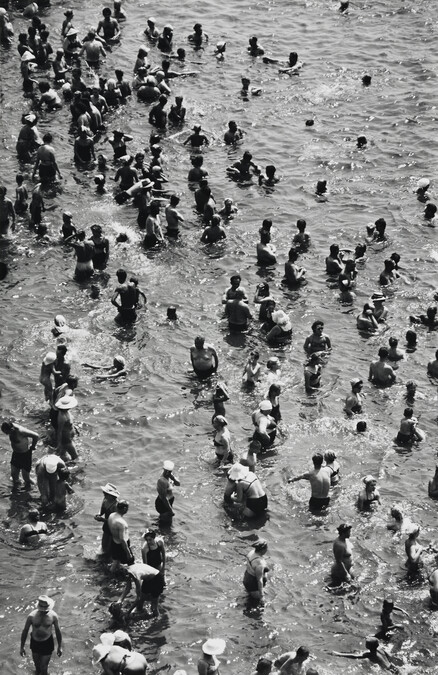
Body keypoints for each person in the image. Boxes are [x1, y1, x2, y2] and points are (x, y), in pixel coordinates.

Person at [20, 596, 62, 675]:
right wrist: (21, 647)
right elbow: (25, 631)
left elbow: (58, 631)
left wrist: (60, 647)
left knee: (44, 667)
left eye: (45, 609)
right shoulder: (31, 616)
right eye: (42, 608)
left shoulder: (53, 616)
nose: (43, 611)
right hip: (35, 642)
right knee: (37, 667)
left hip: (47, 642)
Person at [1, 420, 38, 489]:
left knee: (26, 479)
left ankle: (36, 488)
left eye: (7, 432)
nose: (7, 434)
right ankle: (17, 490)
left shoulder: (21, 431)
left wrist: (33, 446)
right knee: (14, 476)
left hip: (25, 455)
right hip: (16, 454)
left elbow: (36, 435)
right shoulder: (11, 428)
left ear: (11, 429)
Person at [107, 500, 135, 572]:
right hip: (121, 545)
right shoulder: (121, 523)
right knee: (131, 562)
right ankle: (134, 578)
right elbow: (122, 539)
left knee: (116, 561)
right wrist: (128, 553)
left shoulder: (111, 515)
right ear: (124, 509)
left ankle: (111, 576)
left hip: (114, 541)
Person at [95, 483, 119, 556]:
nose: (104, 494)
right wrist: (98, 515)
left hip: (114, 528)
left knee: (110, 547)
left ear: (112, 496)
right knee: (104, 545)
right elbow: (102, 511)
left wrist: (102, 520)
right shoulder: (105, 500)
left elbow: (115, 521)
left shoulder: (116, 505)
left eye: (105, 493)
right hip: (106, 526)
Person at [56, 393, 78, 460]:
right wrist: (59, 444)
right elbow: (59, 431)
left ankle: (63, 463)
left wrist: (75, 429)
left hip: (69, 437)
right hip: (66, 440)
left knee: (62, 454)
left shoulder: (67, 412)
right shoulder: (62, 417)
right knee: (75, 456)